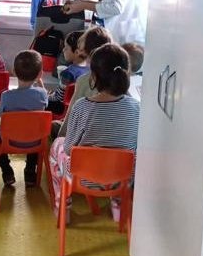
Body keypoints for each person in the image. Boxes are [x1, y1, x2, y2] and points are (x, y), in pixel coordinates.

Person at [49, 43, 140, 221]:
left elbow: (68, 149)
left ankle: (63, 206)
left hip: (83, 178)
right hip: (122, 179)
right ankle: (118, 206)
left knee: (57, 145)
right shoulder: (137, 108)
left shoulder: (82, 106)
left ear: (94, 76)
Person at [0, 50, 48, 187]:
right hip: (35, 142)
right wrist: (41, 84)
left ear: (14, 72)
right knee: (35, 131)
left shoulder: (6, 96)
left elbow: (0, 116)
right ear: (40, 74)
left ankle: (6, 171)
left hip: (9, 141)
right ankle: (30, 170)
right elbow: (45, 103)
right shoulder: (42, 94)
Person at [55, 26, 113, 138]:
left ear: (84, 51)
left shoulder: (84, 81)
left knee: (52, 127)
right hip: (110, 140)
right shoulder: (118, 78)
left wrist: (60, 138)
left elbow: (71, 117)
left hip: (86, 139)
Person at [48, 31, 88, 114]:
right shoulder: (90, 69)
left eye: (66, 47)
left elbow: (59, 99)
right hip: (80, 107)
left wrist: (47, 96)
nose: (63, 50)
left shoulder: (67, 73)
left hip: (64, 109)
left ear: (77, 52)